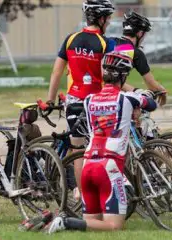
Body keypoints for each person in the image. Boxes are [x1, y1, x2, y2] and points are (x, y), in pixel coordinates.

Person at [37, 52, 157, 234]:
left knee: (92, 225)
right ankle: (66, 222)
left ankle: (61, 221)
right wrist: (142, 94)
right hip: (109, 167)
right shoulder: (127, 98)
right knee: (114, 227)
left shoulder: (89, 100)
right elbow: (151, 104)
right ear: (123, 77)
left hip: (88, 165)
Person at [46, 0, 116, 193]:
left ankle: (85, 198)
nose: (109, 22)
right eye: (108, 18)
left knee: (78, 152)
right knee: (103, 148)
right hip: (97, 102)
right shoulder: (105, 43)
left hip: (74, 102)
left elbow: (56, 72)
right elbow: (107, 75)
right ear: (101, 19)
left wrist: (50, 100)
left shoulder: (71, 39)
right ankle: (104, 194)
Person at [114, 11, 167, 106]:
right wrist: (161, 90)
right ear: (140, 33)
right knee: (149, 105)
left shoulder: (110, 42)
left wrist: (135, 90)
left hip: (95, 92)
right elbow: (152, 85)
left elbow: (111, 80)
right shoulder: (136, 52)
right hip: (114, 97)